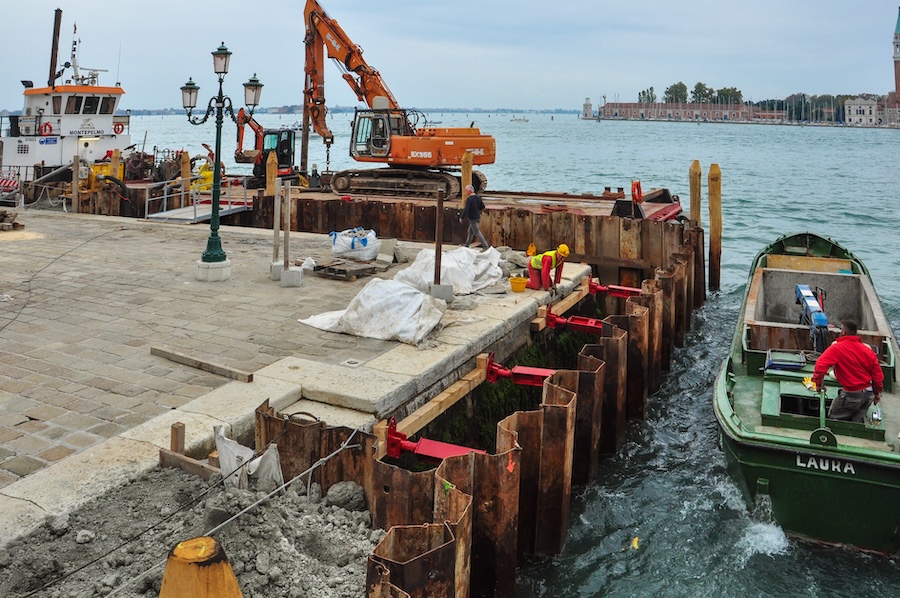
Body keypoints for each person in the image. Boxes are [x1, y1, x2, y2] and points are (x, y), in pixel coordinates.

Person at [812, 319, 883, 422]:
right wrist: (877, 394)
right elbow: (877, 375)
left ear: (844, 332)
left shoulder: (837, 348)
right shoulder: (867, 350)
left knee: (834, 418)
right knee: (856, 422)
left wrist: (818, 384)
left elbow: (820, 365)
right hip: (868, 395)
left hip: (852, 395)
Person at [459, 185, 491, 250]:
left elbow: (466, 209)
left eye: (466, 191)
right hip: (477, 217)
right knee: (470, 232)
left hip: (472, 218)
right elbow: (482, 206)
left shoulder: (469, 199)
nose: (465, 192)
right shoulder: (478, 197)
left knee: (476, 232)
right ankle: (466, 245)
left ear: (469, 191)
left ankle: (485, 246)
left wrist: (462, 217)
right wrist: (479, 211)